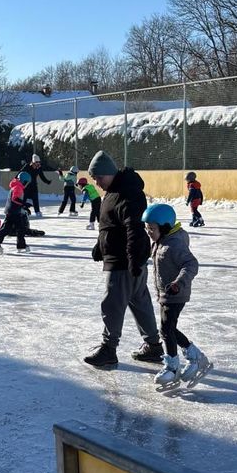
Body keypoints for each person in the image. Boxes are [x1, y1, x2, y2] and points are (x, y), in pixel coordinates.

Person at [83, 150, 164, 369]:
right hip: (126, 259)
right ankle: (154, 345)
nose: (97, 182)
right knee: (139, 303)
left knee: (112, 304)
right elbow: (111, 225)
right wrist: (100, 247)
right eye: (94, 179)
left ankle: (109, 349)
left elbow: (134, 228)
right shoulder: (114, 191)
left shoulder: (127, 192)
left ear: (108, 173)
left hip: (124, 262)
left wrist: (134, 259)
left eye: (98, 177)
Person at [142, 202, 212, 388]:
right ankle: (195, 356)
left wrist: (178, 283)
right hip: (166, 293)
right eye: (147, 228)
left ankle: (172, 367)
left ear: (165, 227)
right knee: (169, 328)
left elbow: (191, 264)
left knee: (166, 328)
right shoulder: (161, 241)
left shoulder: (174, 245)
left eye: (152, 228)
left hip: (175, 293)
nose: (148, 231)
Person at [0, 171, 33, 254]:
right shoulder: (18, 187)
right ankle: (21, 246)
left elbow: (16, 201)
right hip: (14, 212)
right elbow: (15, 199)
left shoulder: (17, 186)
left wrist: (24, 207)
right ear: (24, 181)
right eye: (27, 183)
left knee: (7, 229)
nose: (27, 184)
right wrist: (24, 203)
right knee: (20, 229)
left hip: (12, 211)